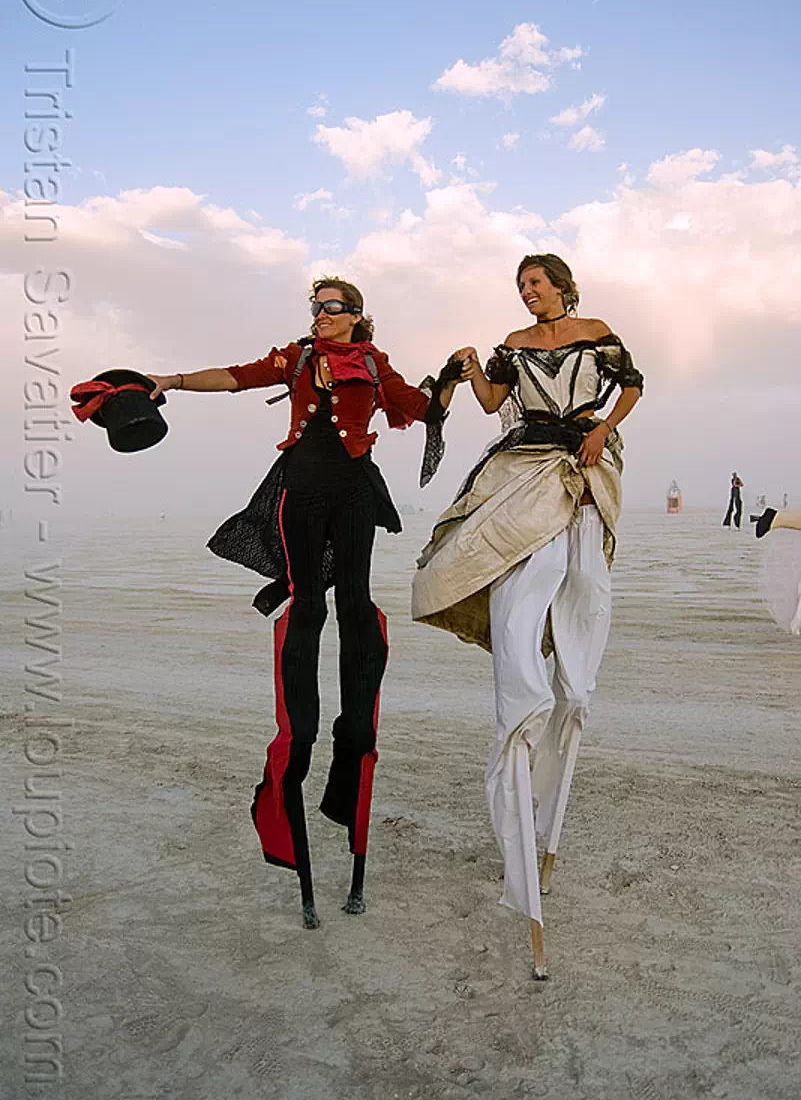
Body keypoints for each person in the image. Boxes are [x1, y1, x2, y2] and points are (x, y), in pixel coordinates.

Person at [146, 278, 460, 929]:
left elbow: (416, 409)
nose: (320, 314)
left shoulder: (375, 364)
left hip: (352, 492)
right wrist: (169, 379)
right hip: (300, 490)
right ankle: (300, 734)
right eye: (314, 306)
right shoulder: (292, 358)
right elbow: (233, 376)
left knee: (355, 611)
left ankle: (354, 736)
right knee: (306, 609)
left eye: (331, 306)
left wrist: (450, 384)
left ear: (354, 315)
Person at [412, 253, 643, 978]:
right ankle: (520, 718)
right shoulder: (514, 342)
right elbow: (489, 403)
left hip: (583, 455)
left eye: (535, 283)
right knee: (519, 580)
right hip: (523, 460)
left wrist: (603, 428)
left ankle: (546, 810)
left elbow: (631, 384)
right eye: (520, 287)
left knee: (586, 603)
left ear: (562, 285)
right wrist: (471, 366)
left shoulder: (595, 329)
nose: (527, 292)